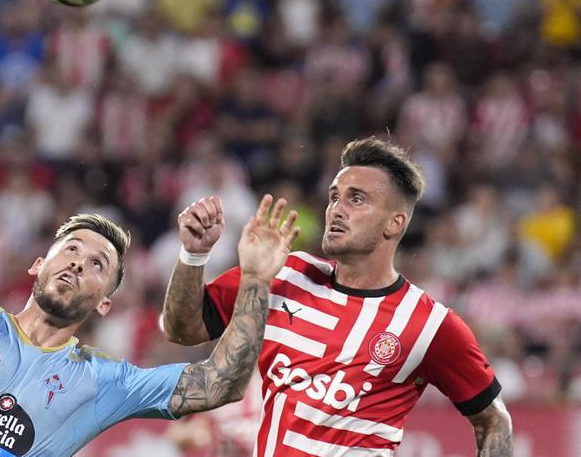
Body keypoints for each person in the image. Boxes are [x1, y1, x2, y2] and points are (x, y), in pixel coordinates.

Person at [0, 202, 301, 456]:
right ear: (39, 264)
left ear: (104, 303)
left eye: (97, 264)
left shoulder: (103, 381)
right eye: (71, 249)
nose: (79, 261)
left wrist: (250, 277)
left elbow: (220, 383)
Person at [162, 137, 513, 456]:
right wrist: (194, 255)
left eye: (356, 199)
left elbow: (494, 420)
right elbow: (182, 328)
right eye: (334, 197)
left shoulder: (428, 324)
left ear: (395, 223)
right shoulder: (282, 273)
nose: (336, 209)